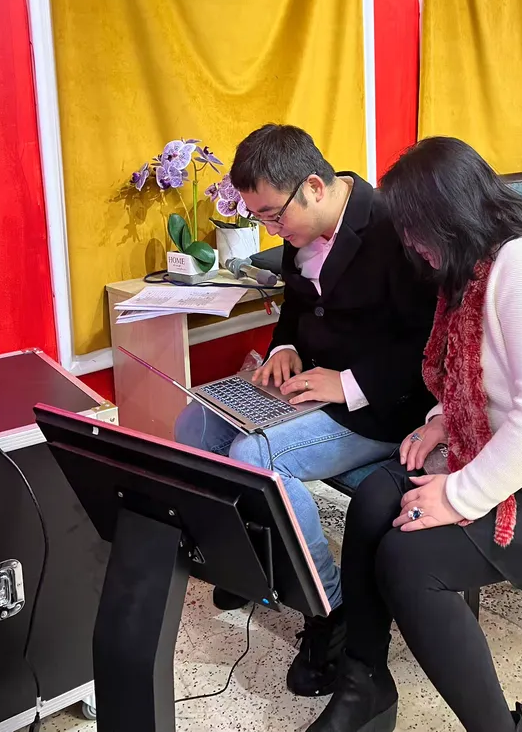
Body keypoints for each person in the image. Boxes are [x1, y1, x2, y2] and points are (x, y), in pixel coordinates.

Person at [306, 137, 522, 732]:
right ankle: (365, 683)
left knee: (410, 561)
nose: (410, 245)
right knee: (375, 499)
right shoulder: (476, 268)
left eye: (413, 230)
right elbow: (487, 378)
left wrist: (459, 494)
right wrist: (443, 421)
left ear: (448, 215)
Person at [174, 125, 437, 697]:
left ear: (314, 186)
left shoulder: (394, 228)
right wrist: (283, 348)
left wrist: (347, 384)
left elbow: (425, 344)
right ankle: (253, 562)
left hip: (380, 406)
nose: (272, 231)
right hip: (313, 386)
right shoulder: (302, 224)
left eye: (273, 217)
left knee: (256, 456)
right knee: (193, 423)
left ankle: (331, 610)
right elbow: (297, 306)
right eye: (260, 219)